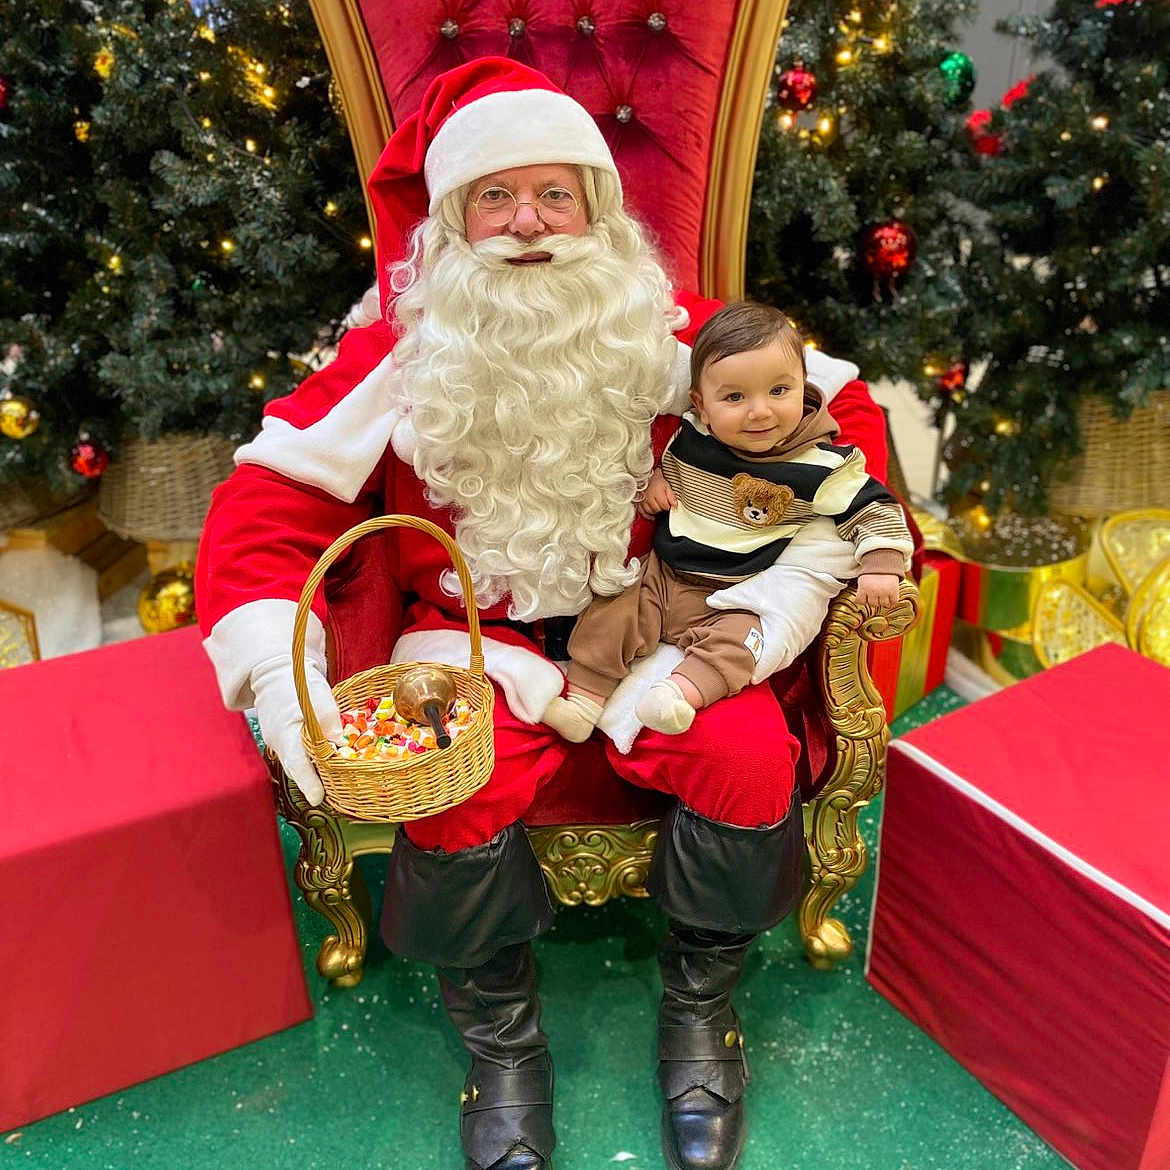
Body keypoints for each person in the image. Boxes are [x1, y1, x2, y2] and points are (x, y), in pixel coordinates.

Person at [196, 58, 897, 1170]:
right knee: (454, 788)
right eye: (494, 196)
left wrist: (843, 529)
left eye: (554, 195)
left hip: (661, 628)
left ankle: (699, 1013)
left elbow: (833, 399)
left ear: (598, 209)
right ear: (452, 221)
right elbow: (262, 507)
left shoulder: (661, 331)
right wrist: (287, 680)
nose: (527, 224)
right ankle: (504, 1046)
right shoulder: (402, 354)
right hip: (475, 651)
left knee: (748, 755)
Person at [542, 302, 913, 743]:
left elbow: (874, 507)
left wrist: (881, 563)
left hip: (736, 591)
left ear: (803, 388)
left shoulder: (819, 465)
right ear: (702, 403)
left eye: (779, 391)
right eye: (735, 397)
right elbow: (666, 469)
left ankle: (679, 694)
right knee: (614, 611)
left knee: (743, 643)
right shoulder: (694, 435)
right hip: (665, 575)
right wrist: (655, 486)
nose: (759, 412)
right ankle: (584, 701)